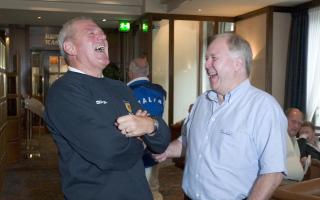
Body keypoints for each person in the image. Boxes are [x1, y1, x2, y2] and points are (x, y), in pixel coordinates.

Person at [44, 16, 170, 200]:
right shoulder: (63, 92)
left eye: (103, 34)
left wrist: (150, 126)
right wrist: (142, 140)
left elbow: (161, 142)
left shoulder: (120, 87)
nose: (102, 37)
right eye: (92, 33)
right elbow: (109, 152)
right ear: (70, 48)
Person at [154, 33, 287, 200]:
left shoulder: (264, 108)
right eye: (206, 58)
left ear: (237, 63)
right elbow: (188, 142)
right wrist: (165, 151)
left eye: (213, 58)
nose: (206, 64)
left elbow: (273, 172)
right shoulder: (202, 101)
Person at [127, 55, 167, 200]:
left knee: (133, 191)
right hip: (155, 148)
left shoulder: (125, 91)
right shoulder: (160, 91)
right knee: (153, 188)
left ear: (130, 72)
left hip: (133, 153)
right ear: (148, 72)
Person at [283, 108, 305, 183]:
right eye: (293, 121)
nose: (296, 126)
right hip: (282, 184)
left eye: (299, 123)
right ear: (284, 119)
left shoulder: (293, 138)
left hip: (295, 183)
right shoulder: (278, 136)